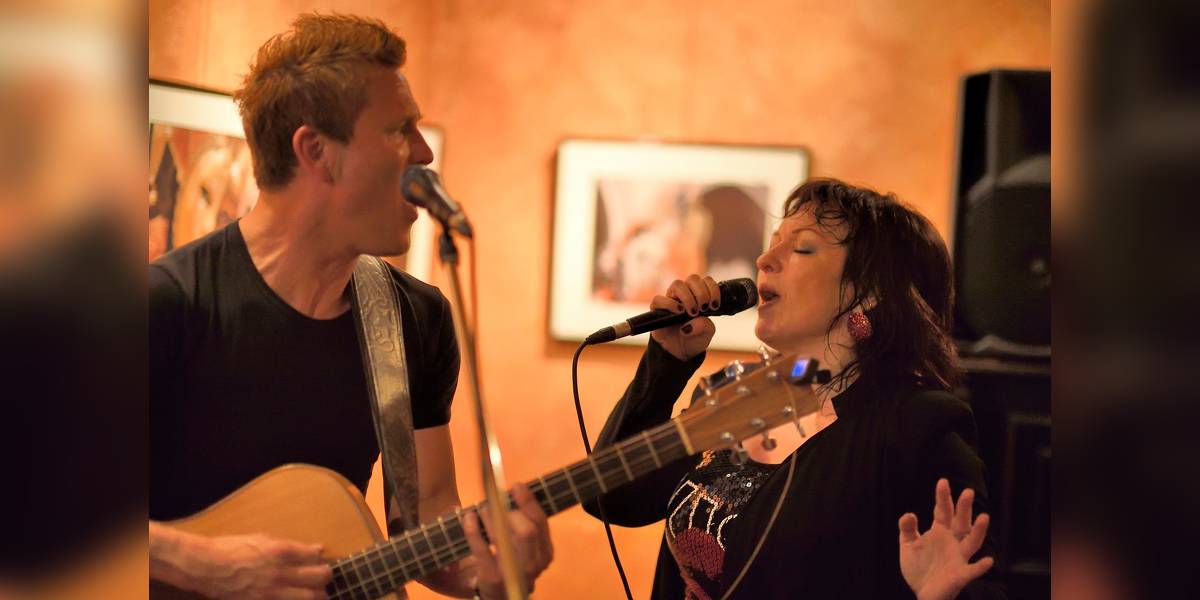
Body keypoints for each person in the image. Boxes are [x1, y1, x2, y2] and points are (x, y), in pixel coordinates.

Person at [148, 14, 553, 599]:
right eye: (399, 129)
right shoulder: (166, 304)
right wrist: (204, 565)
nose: (424, 152)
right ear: (316, 150)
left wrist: (489, 576)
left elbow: (426, 520)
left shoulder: (415, 320)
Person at [584, 178, 1002, 599]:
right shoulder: (732, 393)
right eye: (771, 244)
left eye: (801, 248)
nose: (765, 259)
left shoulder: (917, 425)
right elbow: (611, 496)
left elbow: (969, 576)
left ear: (869, 292)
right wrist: (666, 363)